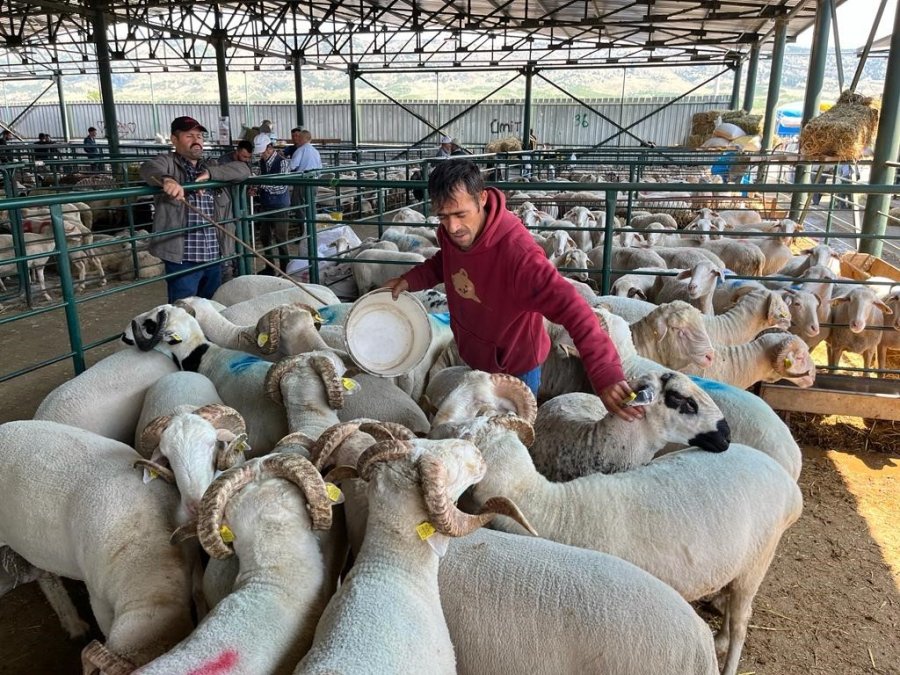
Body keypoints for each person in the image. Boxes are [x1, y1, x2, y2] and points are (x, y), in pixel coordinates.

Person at [382, 160, 641, 420]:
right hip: (475, 352)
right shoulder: (454, 235)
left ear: (481, 198)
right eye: (443, 217)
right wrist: (409, 280)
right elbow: (445, 262)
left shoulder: (519, 255)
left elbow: (573, 308)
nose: (452, 227)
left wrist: (606, 373)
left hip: (515, 366)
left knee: (511, 436)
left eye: (460, 214)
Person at [139, 116, 251, 303]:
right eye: (189, 136)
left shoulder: (211, 166)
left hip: (213, 254)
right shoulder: (168, 163)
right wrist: (167, 179)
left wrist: (211, 175)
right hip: (183, 258)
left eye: (199, 136)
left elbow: (243, 170)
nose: (197, 140)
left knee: (211, 309)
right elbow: (148, 168)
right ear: (174, 140)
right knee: (184, 311)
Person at [254, 141, 292, 273]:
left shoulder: (282, 162)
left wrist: (261, 185)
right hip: (266, 204)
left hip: (279, 204)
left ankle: (285, 269)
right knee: (265, 237)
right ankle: (270, 267)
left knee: (281, 238)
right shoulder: (262, 162)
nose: (261, 154)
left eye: (263, 151)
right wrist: (256, 188)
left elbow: (281, 186)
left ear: (270, 148)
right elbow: (260, 178)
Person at [288, 129, 323, 233]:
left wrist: (286, 164)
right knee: (311, 205)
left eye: (299, 137)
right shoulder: (315, 151)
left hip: (302, 182)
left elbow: (293, 165)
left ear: (303, 138)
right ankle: (312, 230)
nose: (297, 139)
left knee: (298, 205)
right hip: (314, 182)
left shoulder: (300, 150)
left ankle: (304, 230)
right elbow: (320, 168)